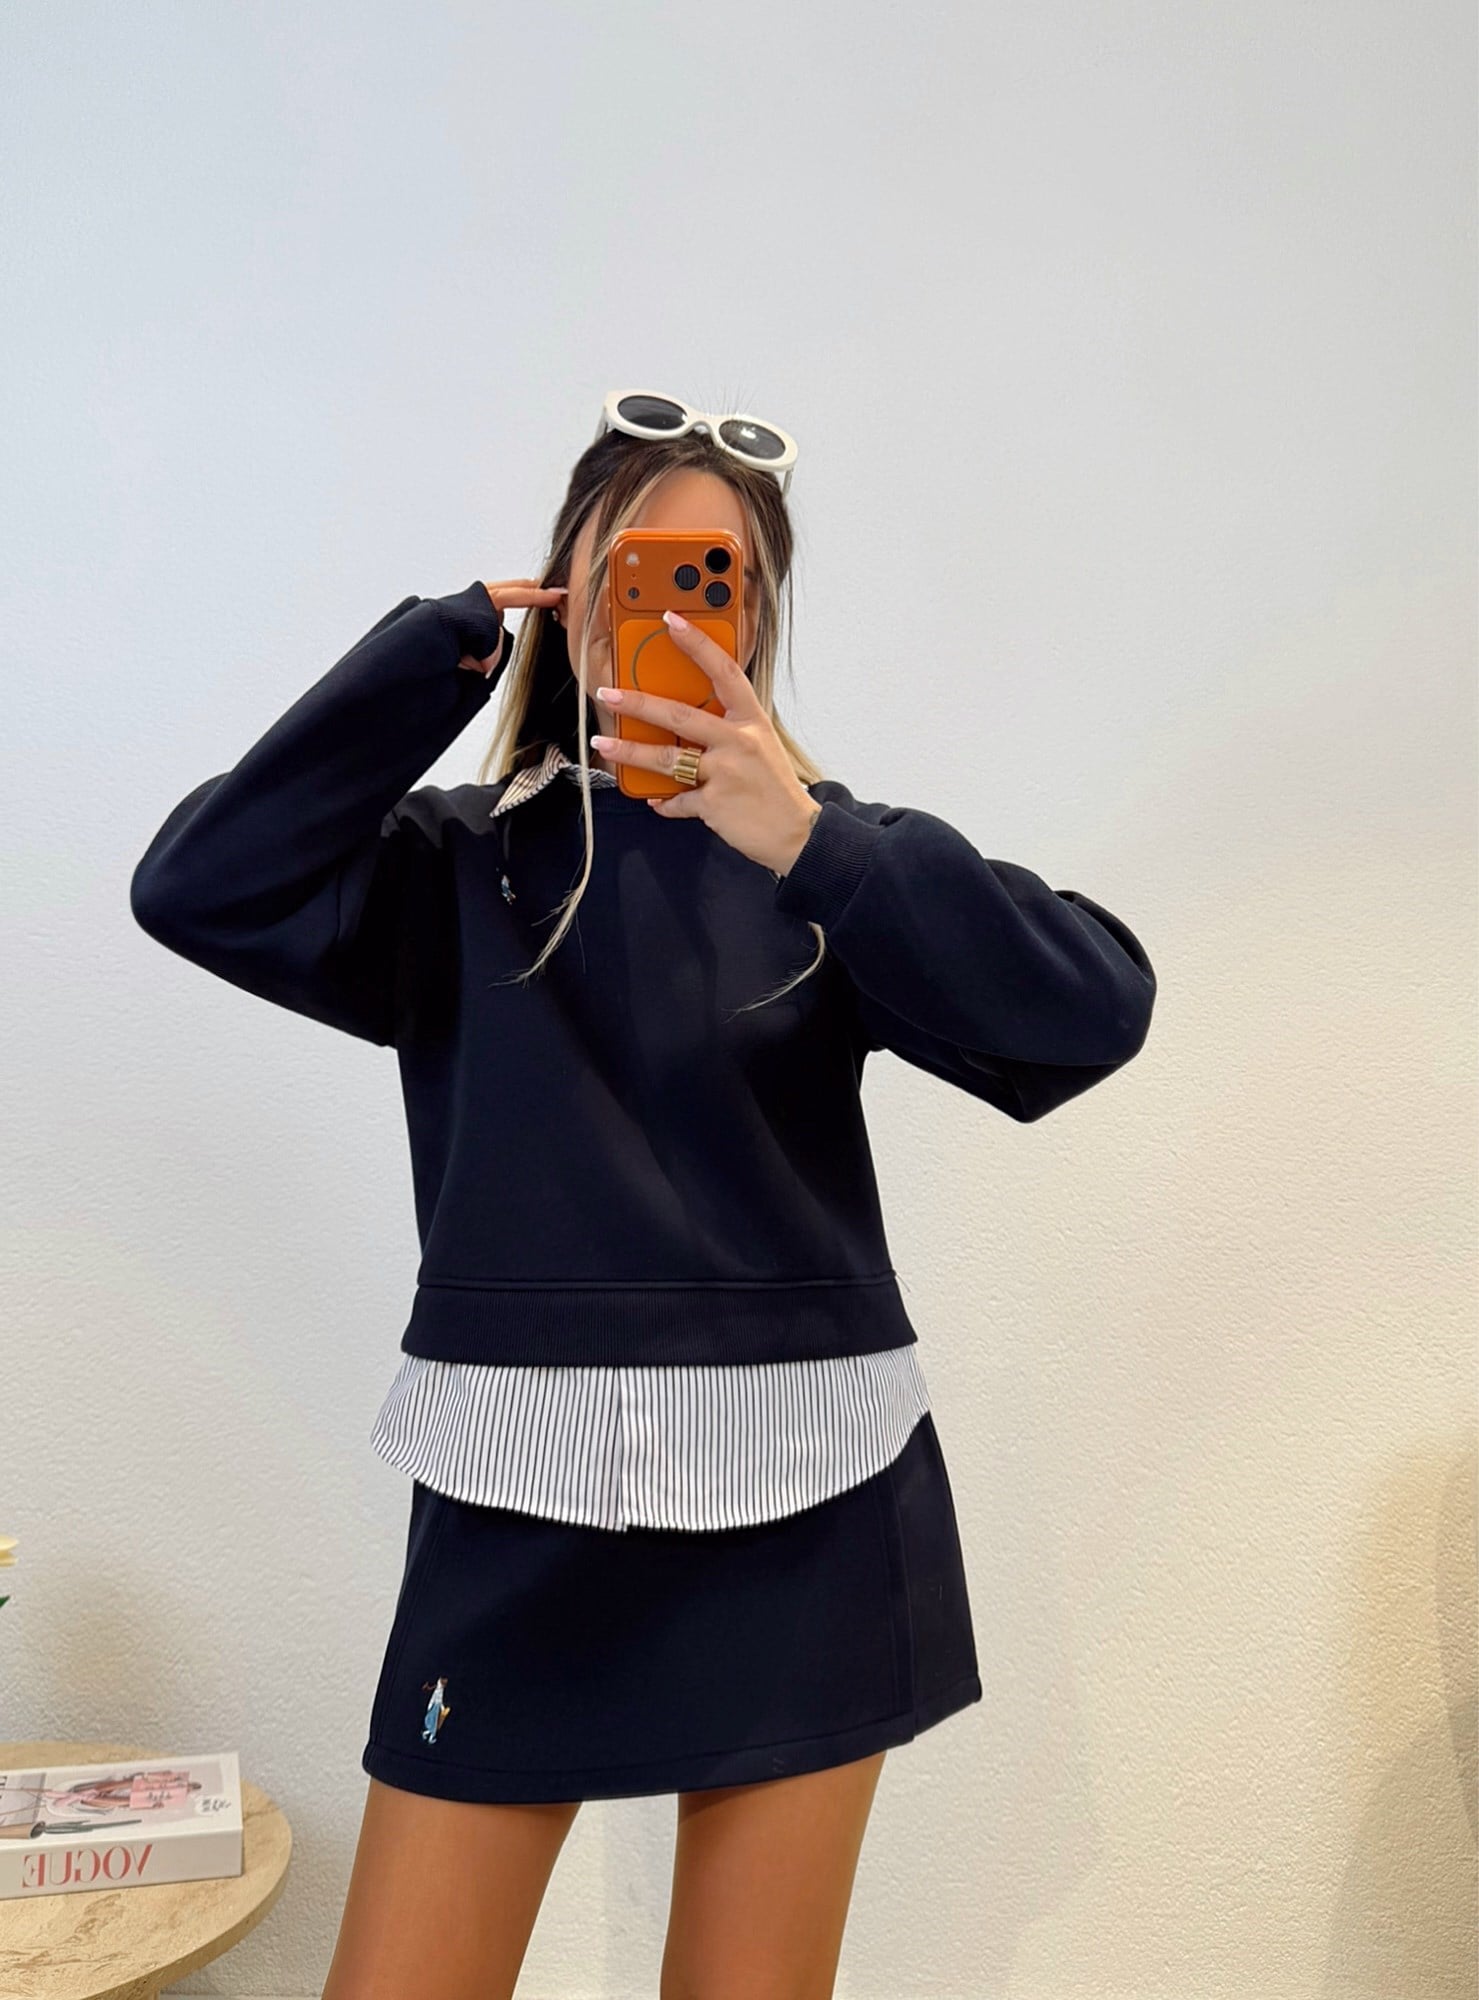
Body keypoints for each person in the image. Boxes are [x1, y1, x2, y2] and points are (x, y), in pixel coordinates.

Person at [129, 392, 1157, 2000]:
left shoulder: (834, 860)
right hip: (514, 1496)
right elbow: (197, 884)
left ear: (756, 616)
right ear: (571, 591)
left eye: (714, 577)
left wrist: (811, 844)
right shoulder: (451, 868)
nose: (671, 608)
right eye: (634, 568)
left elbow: (1093, 1012)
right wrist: (435, 654)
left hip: (811, 1497)